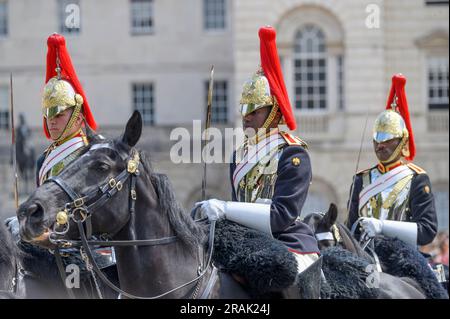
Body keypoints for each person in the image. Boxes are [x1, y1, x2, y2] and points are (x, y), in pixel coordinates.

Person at [197, 26, 320, 283]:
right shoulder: (239, 155)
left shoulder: (292, 153)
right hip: (244, 240)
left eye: (255, 111)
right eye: (244, 110)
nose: (247, 116)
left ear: (274, 112)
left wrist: (225, 208)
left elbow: (281, 216)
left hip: (286, 241)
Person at [5, 33, 117, 298]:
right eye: (48, 114)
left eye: (59, 114)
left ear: (76, 115)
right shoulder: (44, 159)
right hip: (49, 248)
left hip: (91, 251)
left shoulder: (92, 152)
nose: (52, 121)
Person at [346, 74, 438, 247]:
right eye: (377, 140)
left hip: (403, 256)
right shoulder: (361, 179)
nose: (380, 145)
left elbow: (427, 231)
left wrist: (382, 226)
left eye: (387, 140)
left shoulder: (416, 179)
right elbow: (351, 226)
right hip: (365, 254)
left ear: (402, 141)